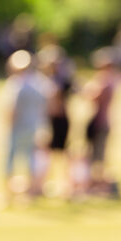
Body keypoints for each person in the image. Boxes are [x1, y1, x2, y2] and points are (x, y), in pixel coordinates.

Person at [2, 50, 48, 200]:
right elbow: (45, 105)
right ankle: (32, 192)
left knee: (11, 160)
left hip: (18, 127)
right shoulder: (38, 83)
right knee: (31, 160)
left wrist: (8, 125)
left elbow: (11, 109)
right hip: (33, 127)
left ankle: (8, 194)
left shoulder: (16, 84)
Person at [36, 44, 75, 197]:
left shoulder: (62, 80)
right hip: (48, 120)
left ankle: (68, 185)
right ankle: (44, 183)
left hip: (59, 121)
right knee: (45, 154)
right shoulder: (44, 79)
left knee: (62, 153)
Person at [83, 48, 119, 196]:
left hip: (100, 123)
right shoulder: (110, 80)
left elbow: (92, 96)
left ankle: (103, 186)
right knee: (97, 156)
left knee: (99, 157)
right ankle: (97, 184)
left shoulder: (105, 81)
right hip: (101, 121)